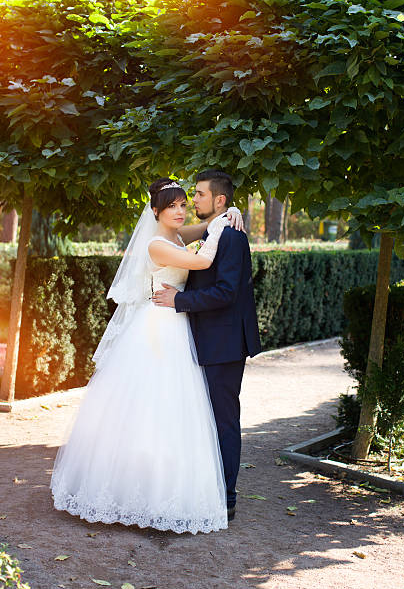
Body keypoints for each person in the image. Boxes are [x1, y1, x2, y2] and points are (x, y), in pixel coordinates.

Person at [50, 178, 243, 535]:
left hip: (177, 323)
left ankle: (167, 484)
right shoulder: (158, 245)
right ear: (155, 211)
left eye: (184, 204)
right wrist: (220, 224)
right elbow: (203, 261)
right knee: (148, 403)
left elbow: (202, 226)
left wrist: (228, 210)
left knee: (176, 406)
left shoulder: (175, 236)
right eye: (172, 206)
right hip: (158, 327)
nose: (181, 211)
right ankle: (132, 490)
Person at [152, 170, 261, 521]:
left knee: (224, 421)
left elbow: (227, 292)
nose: (191, 201)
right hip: (200, 340)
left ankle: (227, 498)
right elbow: (186, 240)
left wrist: (179, 300)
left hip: (225, 343)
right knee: (202, 420)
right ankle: (204, 489)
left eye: (197, 195)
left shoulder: (231, 236)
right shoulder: (210, 231)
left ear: (219, 200)